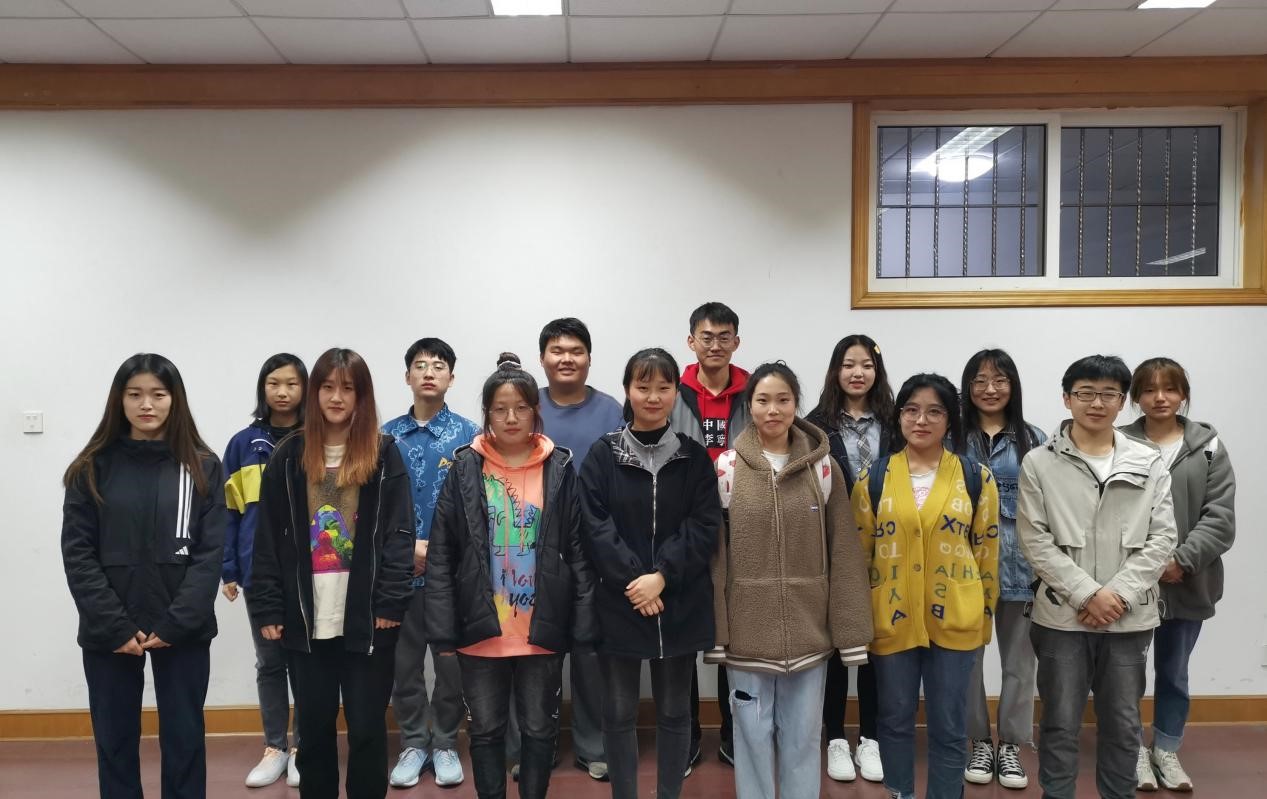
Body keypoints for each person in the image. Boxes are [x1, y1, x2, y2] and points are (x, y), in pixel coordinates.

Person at [425, 354, 598, 799]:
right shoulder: (465, 467)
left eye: (521, 407)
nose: (511, 418)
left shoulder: (559, 467)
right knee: (485, 731)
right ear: (487, 414)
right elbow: (441, 554)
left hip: (541, 628)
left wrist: (582, 624)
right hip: (481, 629)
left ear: (535, 411)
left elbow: (578, 551)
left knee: (540, 730)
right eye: (500, 409)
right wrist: (442, 630)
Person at [250, 348, 415, 799]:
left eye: (347, 388)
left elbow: (400, 534)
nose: (336, 397)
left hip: (368, 617)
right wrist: (268, 607)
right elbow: (267, 538)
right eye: (327, 387)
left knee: (367, 729)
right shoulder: (288, 455)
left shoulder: (384, 453)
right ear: (314, 393)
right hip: (306, 619)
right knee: (314, 732)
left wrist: (390, 600)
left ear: (362, 395)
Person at [62, 353, 226, 799]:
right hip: (109, 630)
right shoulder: (91, 467)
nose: (146, 404)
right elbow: (78, 553)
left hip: (183, 628)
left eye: (158, 394)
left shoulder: (203, 466)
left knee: (185, 738)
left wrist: (177, 622)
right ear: (119, 400)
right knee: (114, 741)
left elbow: (210, 554)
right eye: (134, 394)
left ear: (175, 399)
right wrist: (113, 625)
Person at [707, 362, 873, 799]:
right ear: (749, 406)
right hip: (747, 639)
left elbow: (844, 551)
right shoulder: (727, 469)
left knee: (803, 740)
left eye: (783, 400)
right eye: (763, 400)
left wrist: (850, 633)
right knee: (751, 739)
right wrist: (718, 632)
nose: (773, 409)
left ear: (796, 404)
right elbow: (717, 558)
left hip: (809, 635)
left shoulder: (823, 469)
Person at [1018, 355, 1177, 799]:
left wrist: (1117, 596)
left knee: (1124, 725)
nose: (1096, 403)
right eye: (1085, 392)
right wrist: (1087, 594)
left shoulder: (1148, 461)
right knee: (1059, 722)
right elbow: (1034, 539)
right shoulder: (1039, 462)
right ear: (1066, 398)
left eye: (1108, 394)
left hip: (1128, 618)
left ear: (1123, 402)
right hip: (1061, 617)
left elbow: (1163, 537)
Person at [579, 348, 721, 799]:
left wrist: (661, 576)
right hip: (619, 600)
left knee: (676, 712)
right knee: (619, 712)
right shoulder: (603, 455)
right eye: (643, 387)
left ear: (676, 392)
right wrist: (635, 580)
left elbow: (704, 525)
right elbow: (594, 525)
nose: (653, 396)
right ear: (628, 390)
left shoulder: (694, 458)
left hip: (678, 600)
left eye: (663, 387)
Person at [852, 372, 1000, 799]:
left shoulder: (976, 477)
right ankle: (900, 792)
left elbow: (987, 552)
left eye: (935, 411)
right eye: (912, 410)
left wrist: (983, 618)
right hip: (891, 619)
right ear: (898, 416)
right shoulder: (872, 478)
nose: (921, 420)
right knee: (894, 721)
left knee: (949, 726)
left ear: (950, 420)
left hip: (956, 619)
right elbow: (860, 557)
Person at [1122, 357, 1235, 792]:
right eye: (1149, 390)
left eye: (1169, 388)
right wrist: (1146, 566)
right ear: (1136, 397)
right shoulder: (1117, 441)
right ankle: (1131, 749)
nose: (1160, 398)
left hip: (1188, 581)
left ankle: (1166, 750)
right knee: (1125, 673)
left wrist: (1182, 560)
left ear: (1183, 394)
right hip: (1131, 584)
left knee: (1174, 672)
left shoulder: (1208, 446)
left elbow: (1220, 517)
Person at [383, 338, 479, 789]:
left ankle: (444, 742)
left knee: (450, 666)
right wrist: (406, 552)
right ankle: (413, 743)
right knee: (403, 666)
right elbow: (374, 509)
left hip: (449, 576)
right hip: (397, 573)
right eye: (419, 365)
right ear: (407, 376)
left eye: (438, 366)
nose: (428, 372)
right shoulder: (385, 437)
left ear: (451, 378)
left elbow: (476, 508)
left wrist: (437, 553)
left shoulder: (470, 436)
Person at [535, 317, 622, 781]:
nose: (566, 358)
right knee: (538, 651)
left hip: (595, 549)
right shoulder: (527, 407)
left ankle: (594, 746)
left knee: (591, 652)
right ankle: (537, 744)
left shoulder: (611, 411)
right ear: (542, 358)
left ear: (589, 358)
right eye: (557, 350)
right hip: (534, 549)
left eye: (576, 350)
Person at [805, 334, 895, 784]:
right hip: (833, 546)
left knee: (876, 645)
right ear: (835, 371)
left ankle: (871, 737)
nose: (857, 373)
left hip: (887, 548)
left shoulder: (896, 421)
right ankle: (836, 738)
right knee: (837, 645)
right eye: (848, 364)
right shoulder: (814, 426)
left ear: (877, 371)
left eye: (866, 365)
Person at [958, 349, 1045, 791]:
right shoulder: (952, 439)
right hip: (962, 572)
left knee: (1019, 666)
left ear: (1013, 385)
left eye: (999, 380)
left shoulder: (1035, 439)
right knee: (966, 664)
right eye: (979, 380)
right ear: (967, 387)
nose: (989, 389)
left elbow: (1047, 510)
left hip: (1021, 570)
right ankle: (978, 742)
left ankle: (1010, 745)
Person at [222, 353, 308, 789]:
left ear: (304, 388)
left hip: (312, 572)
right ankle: (275, 746)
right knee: (270, 662)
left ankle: (304, 748)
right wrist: (228, 568)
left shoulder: (317, 439)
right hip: (259, 572)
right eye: (274, 383)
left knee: (307, 664)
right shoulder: (242, 444)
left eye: (291, 383)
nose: (282, 392)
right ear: (263, 388)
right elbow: (229, 512)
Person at [673, 301, 749, 772]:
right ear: (691, 342)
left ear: (736, 342)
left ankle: (734, 733)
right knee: (683, 631)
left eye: (724, 337)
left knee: (734, 633)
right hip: (684, 526)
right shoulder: (671, 390)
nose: (715, 345)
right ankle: (685, 735)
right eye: (707, 336)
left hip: (743, 526)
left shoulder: (755, 391)